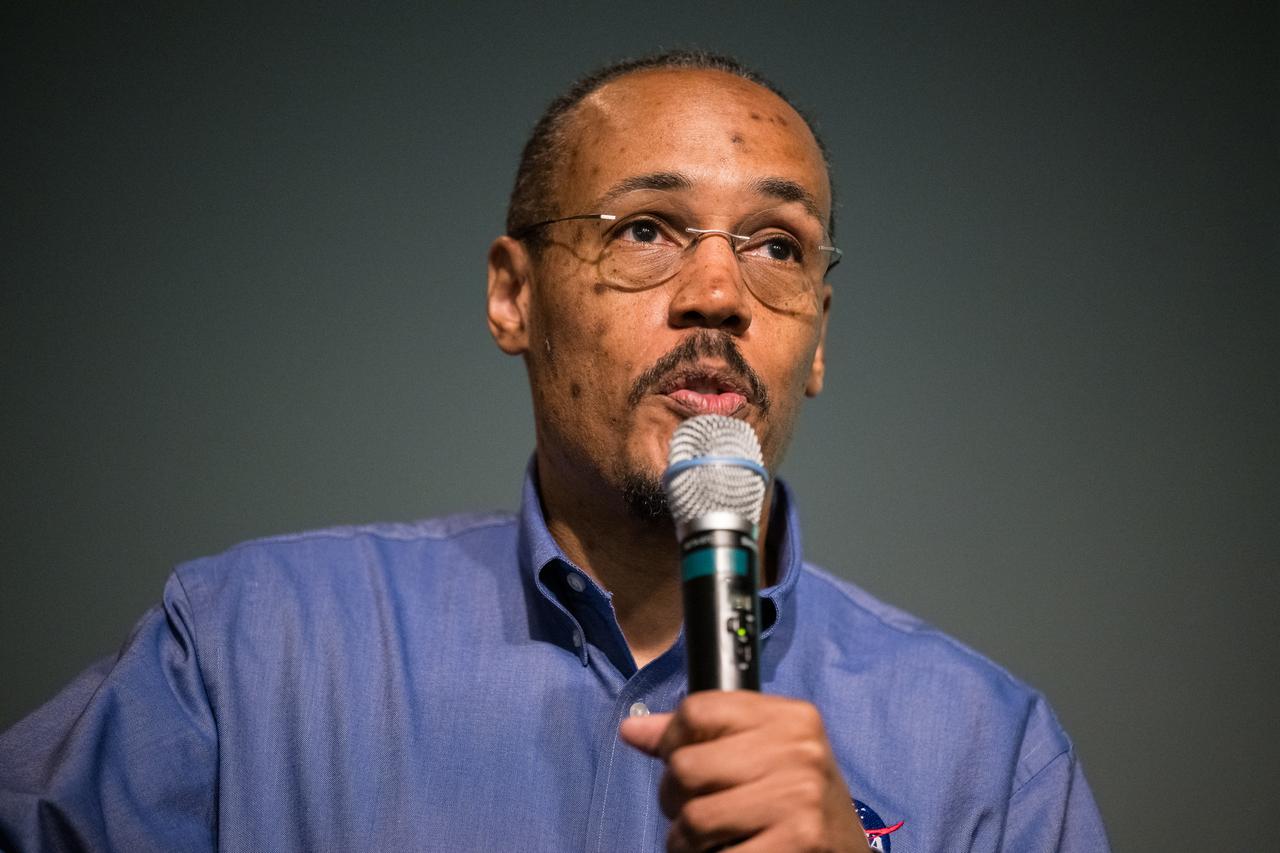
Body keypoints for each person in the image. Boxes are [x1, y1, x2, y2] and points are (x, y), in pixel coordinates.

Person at [0, 51, 1109, 852]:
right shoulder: (246, 651)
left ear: (816, 341)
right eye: (645, 230)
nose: (718, 294)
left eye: (777, 247)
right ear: (512, 295)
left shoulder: (990, 752)